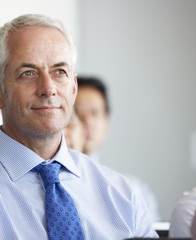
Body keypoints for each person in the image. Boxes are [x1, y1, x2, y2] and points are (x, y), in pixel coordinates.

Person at [0, 14, 158, 239]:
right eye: (28, 73)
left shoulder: (124, 195)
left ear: (73, 88)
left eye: (59, 72)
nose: (48, 88)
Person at [65, 75, 161, 222]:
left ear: (106, 122)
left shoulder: (131, 190)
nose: (87, 121)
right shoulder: (51, 186)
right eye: (77, 113)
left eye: (95, 113)